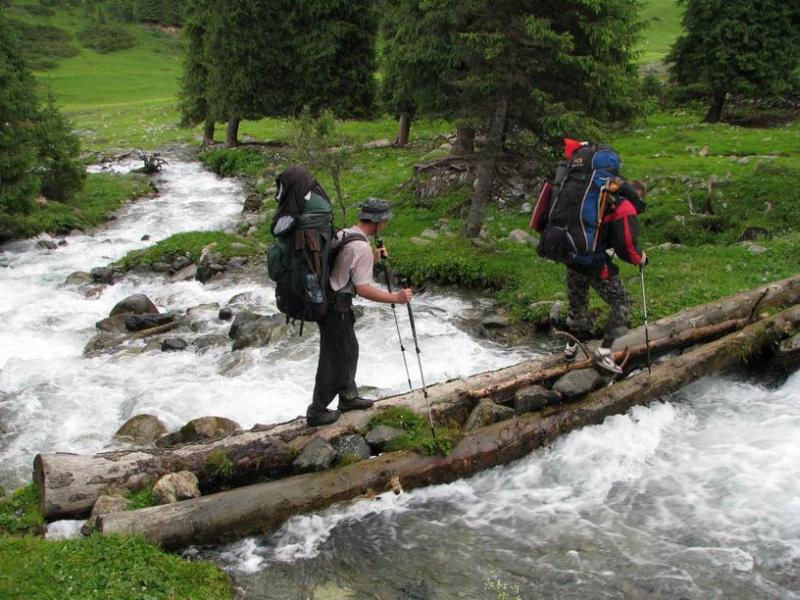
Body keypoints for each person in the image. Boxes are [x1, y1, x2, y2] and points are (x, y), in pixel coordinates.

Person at [307, 198, 413, 426]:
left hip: (329, 303)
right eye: (385, 220)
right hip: (337, 308)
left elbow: (346, 268)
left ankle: (348, 397)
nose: (386, 224)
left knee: (349, 350)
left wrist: (373, 259)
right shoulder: (362, 246)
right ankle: (317, 411)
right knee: (334, 358)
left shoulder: (346, 234)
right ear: (378, 222)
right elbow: (363, 288)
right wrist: (396, 298)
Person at [560, 142, 649, 374]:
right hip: (595, 262)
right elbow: (626, 248)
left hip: (573, 255)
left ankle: (569, 350)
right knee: (622, 305)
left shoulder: (590, 195)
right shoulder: (624, 206)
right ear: (637, 194)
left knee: (578, 305)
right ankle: (604, 352)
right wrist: (640, 259)